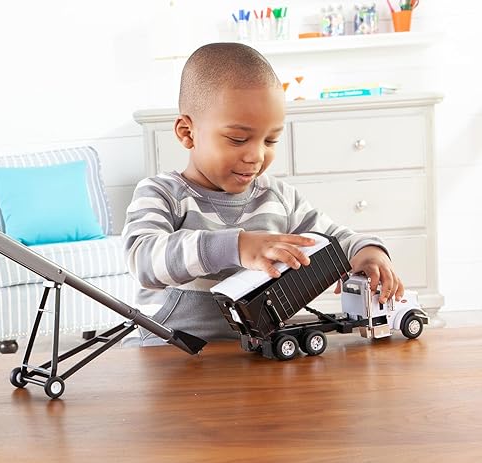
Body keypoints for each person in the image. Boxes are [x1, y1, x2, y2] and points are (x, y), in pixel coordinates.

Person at [122, 42, 403, 345]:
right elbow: (143, 260)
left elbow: (334, 240)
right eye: (238, 138)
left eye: (270, 140)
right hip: (166, 359)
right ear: (187, 133)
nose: (256, 156)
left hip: (254, 358)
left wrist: (369, 253)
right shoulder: (162, 194)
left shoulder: (279, 200)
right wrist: (236, 246)